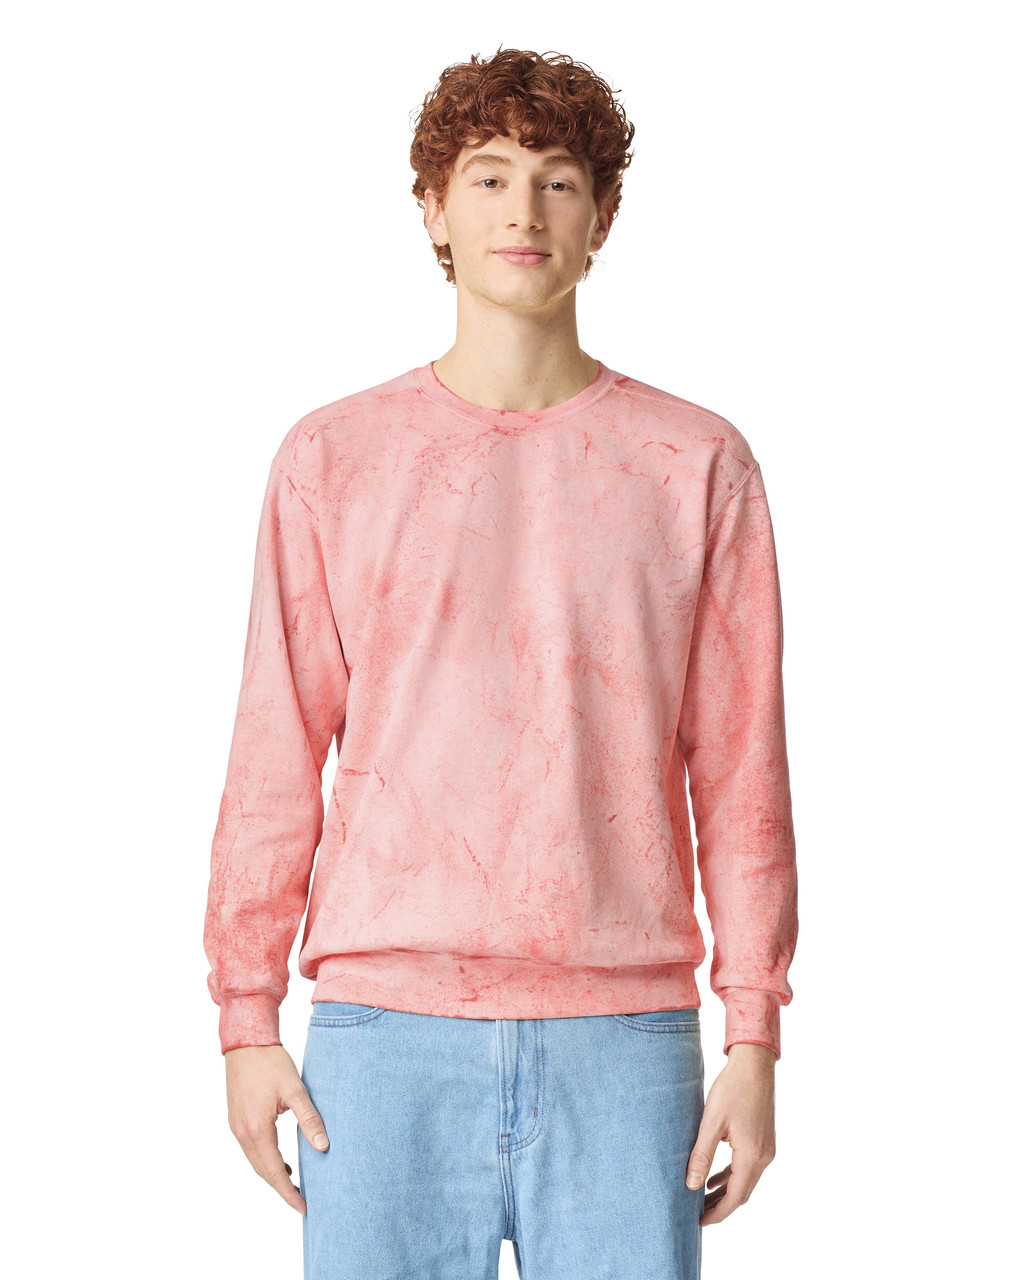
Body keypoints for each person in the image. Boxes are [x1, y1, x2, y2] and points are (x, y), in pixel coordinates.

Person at [203, 46, 798, 1280]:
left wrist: (754, 1034)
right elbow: (275, 747)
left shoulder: (696, 464)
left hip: (625, 1037)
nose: (522, 211)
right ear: (433, 208)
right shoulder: (332, 459)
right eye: (486, 177)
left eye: (557, 180)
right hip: (383, 1036)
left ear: (601, 217)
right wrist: (244, 1016)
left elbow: (741, 768)